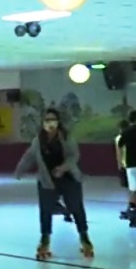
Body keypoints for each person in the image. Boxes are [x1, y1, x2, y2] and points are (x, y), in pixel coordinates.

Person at [14, 108, 93, 260]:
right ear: (43, 123)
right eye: (47, 120)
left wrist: (63, 168)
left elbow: (74, 155)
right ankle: (45, 239)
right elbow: (29, 156)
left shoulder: (66, 137)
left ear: (58, 122)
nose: (50, 123)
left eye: (53, 120)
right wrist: (19, 170)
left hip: (69, 178)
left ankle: (84, 238)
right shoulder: (38, 140)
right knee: (45, 210)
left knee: (76, 208)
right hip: (47, 179)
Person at [116, 119, 136, 220]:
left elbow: (119, 153)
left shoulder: (120, 138)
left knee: (131, 189)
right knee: (135, 188)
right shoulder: (135, 137)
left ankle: (132, 209)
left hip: (126, 165)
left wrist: (119, 165)